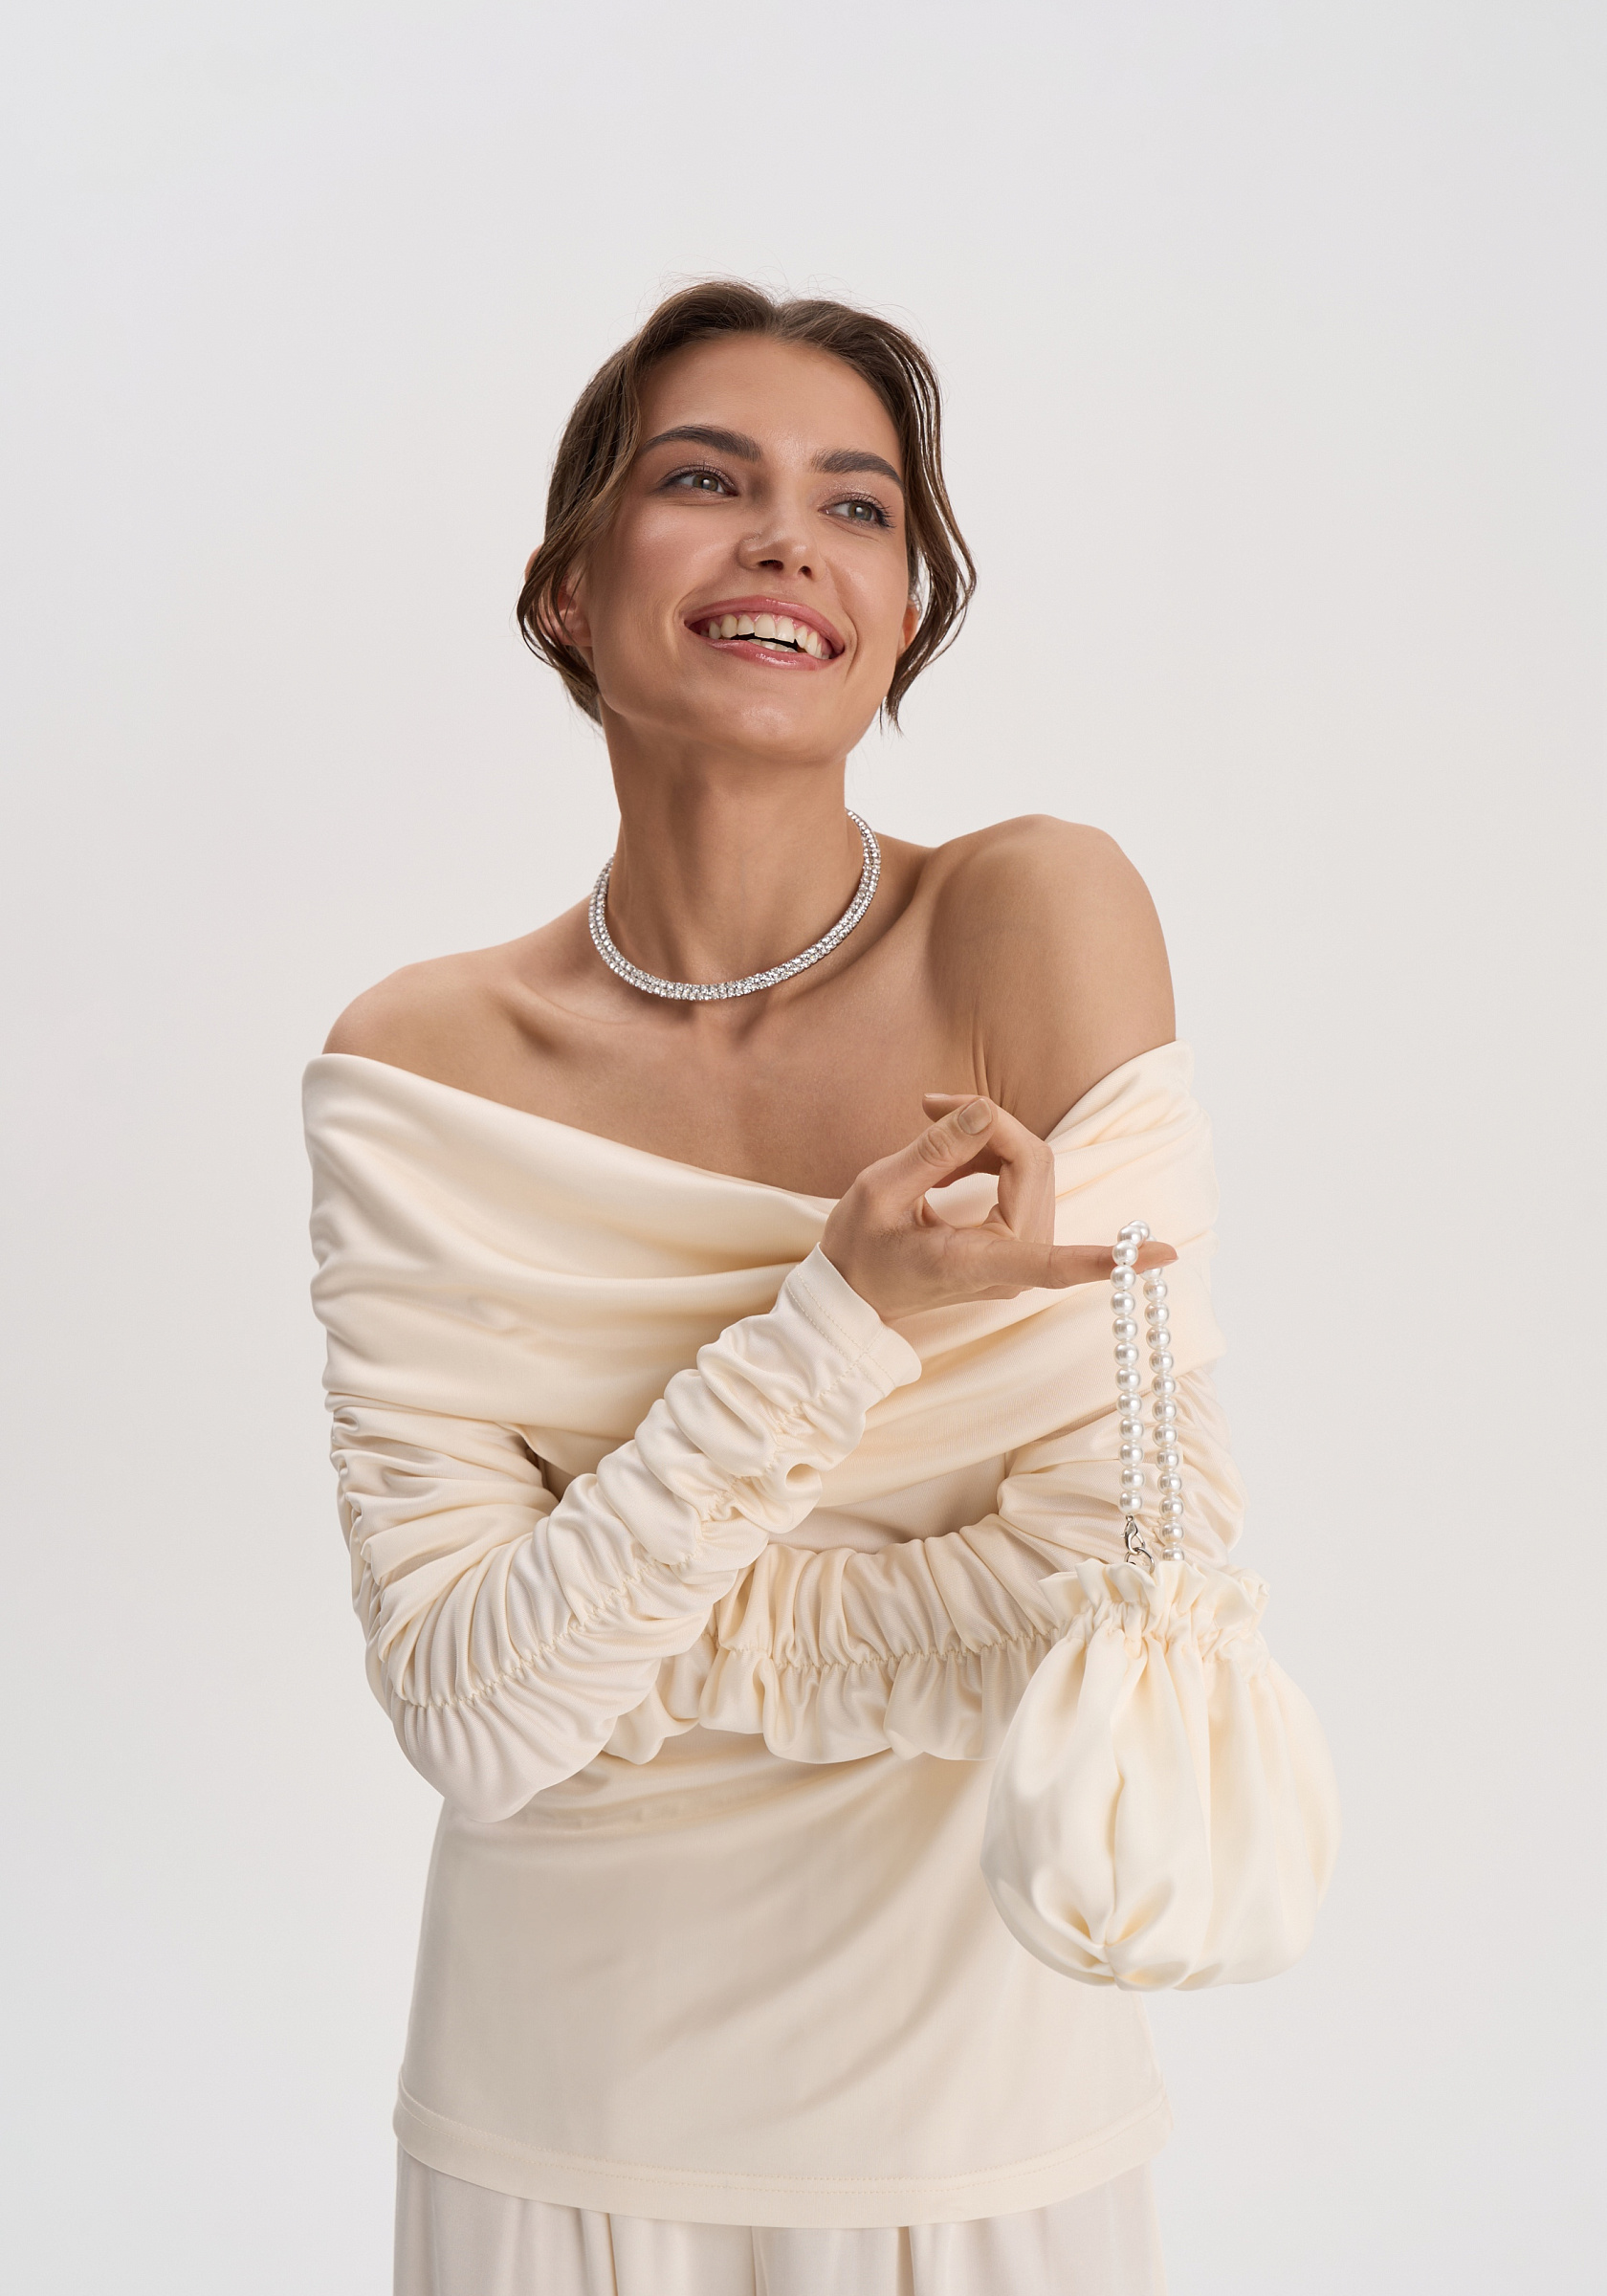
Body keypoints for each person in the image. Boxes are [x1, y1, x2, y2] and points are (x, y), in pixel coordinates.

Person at [305, 279, 1246, 2296]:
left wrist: (605, 1634)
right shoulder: (415, 1068)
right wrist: (844, 1324)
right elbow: (473, 1720)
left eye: (858, 506)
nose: (787, 542)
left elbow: (1132, 1589)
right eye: (705, 481)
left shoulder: (1033, 920)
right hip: (549, 2131)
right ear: (568, 590)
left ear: (905, 613)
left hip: (986, 2139)